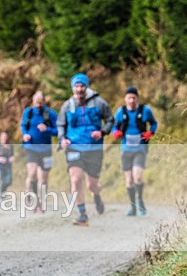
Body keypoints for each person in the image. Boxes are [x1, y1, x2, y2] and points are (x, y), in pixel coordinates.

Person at [57, 73, 112, 226]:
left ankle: (96, 196)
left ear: (86, 87)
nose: (79, 89)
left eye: (82, 86)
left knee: (91, 184)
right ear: (73, 88)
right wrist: (62, 139)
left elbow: (110, 120)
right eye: (77, 86)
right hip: (74, 147)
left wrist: (102, 132)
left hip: (94, 148)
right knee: (75, 179)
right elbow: (60, 124)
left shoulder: (99, 102)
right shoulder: (67, 105)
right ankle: (83, 214)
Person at [111, 85, 158, 216]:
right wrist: (115, 132)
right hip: (125, 149)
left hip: (140, 148)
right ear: (125, 99)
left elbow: (154, 123)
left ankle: (140, 201)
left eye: (134, 98)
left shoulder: (145, 111)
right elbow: (114, 126)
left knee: (138, 176)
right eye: (129, 98)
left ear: (137, 98)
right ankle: (133, 207)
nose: (131, 100)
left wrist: (151, 132)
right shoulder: (121, 112)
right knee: (129, 180)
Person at [20, 91, 58, 212]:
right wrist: (25, 134)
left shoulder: (50, 114)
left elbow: (58, 131)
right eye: (36, 102)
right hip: (31, 147)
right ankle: (29, 196)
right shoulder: (28, 112)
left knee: (44, 178)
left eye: (40, 102)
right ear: (33, 101)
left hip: (46, 149)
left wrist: (47, 129)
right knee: (32, 174)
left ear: (44, 101)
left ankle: (41, 202)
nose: (38, 105)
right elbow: (23, 125)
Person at [0, 131, 14, 197]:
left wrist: (12, 158)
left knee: (9, 182)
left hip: (8, 166)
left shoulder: (10, 145)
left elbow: (12, 155)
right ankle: (2, 197)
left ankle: (2, 192)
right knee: (3, 181)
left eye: (5, 136)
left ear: (7, 137)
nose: (4, 138)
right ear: (0, 137)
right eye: (3, 136)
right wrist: (0, 159)